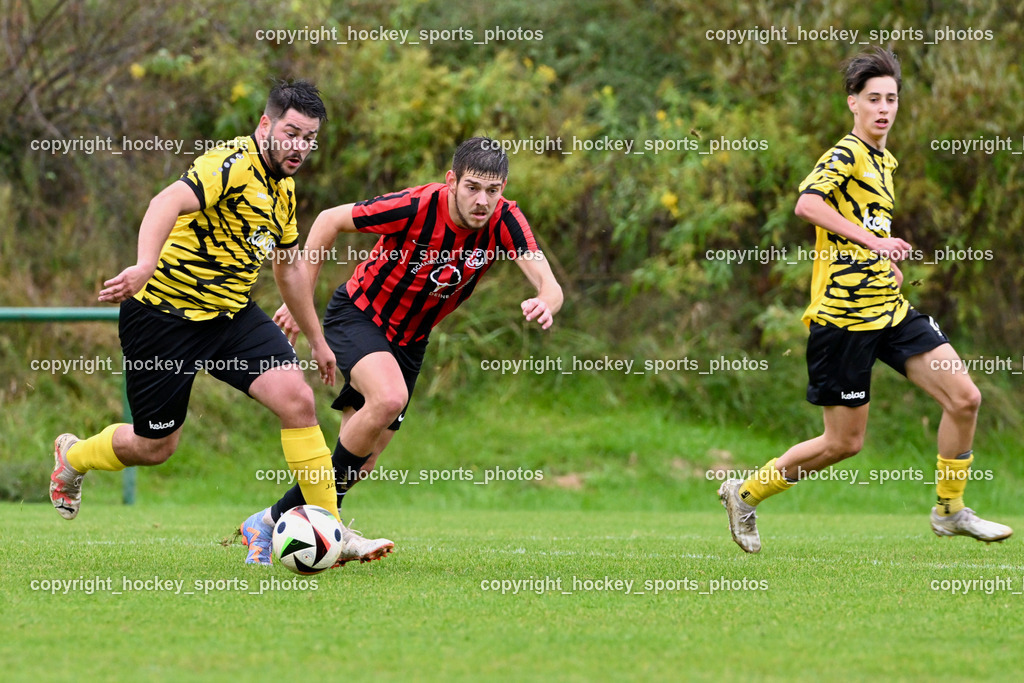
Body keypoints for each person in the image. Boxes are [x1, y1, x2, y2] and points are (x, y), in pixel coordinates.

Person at [718, 47, 1012, 553]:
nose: (883, 107)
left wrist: (881, 259)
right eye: (872, 98)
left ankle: (949, 510)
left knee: (965, 398)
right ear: (852, 103)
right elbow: (807, 203)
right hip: (843, 320)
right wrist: (874, 243)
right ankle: (744, 493)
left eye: (891, 98)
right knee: (843, 444)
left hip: (889, 308)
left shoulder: (883, 160)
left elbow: (860, 228)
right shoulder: (846, 153)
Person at [50, 81, 344, 559]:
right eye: (292, 133)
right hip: (163, 316)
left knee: (298, 399)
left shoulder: (284, 192)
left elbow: (288, 267)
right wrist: (145, 263)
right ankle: (73, 456)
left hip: (230, 317)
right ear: (266, 124)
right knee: (155, 447)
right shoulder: (229, 164)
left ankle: (332, 528)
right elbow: (165, 202)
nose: (300, 147)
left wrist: (318, 339)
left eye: (310, 138)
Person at [238, 137, 564, 565]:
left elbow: (550, 283)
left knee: (363, 459)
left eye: (493, 190)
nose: (482, 200)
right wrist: (302, 297)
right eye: (472, 187)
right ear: (451, 181)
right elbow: (330, 219)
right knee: (390, 398)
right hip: (359, 315)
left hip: (410, 341)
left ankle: (273, 520)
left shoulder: (505, 220)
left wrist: (546, 302)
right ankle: (316, 524)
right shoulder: (417, 205)